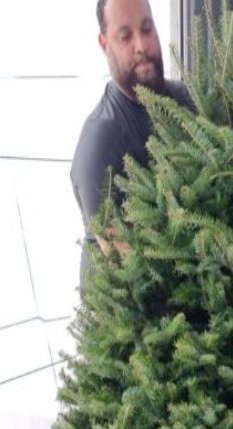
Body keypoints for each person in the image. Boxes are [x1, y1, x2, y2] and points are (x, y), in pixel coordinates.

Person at [71, 0, 190, 275]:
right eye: (125, 36)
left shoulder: (186, 101)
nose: (141, 46)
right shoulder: (99, 142)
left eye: (147, 29)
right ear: (104, 45)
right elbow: (132, 269)